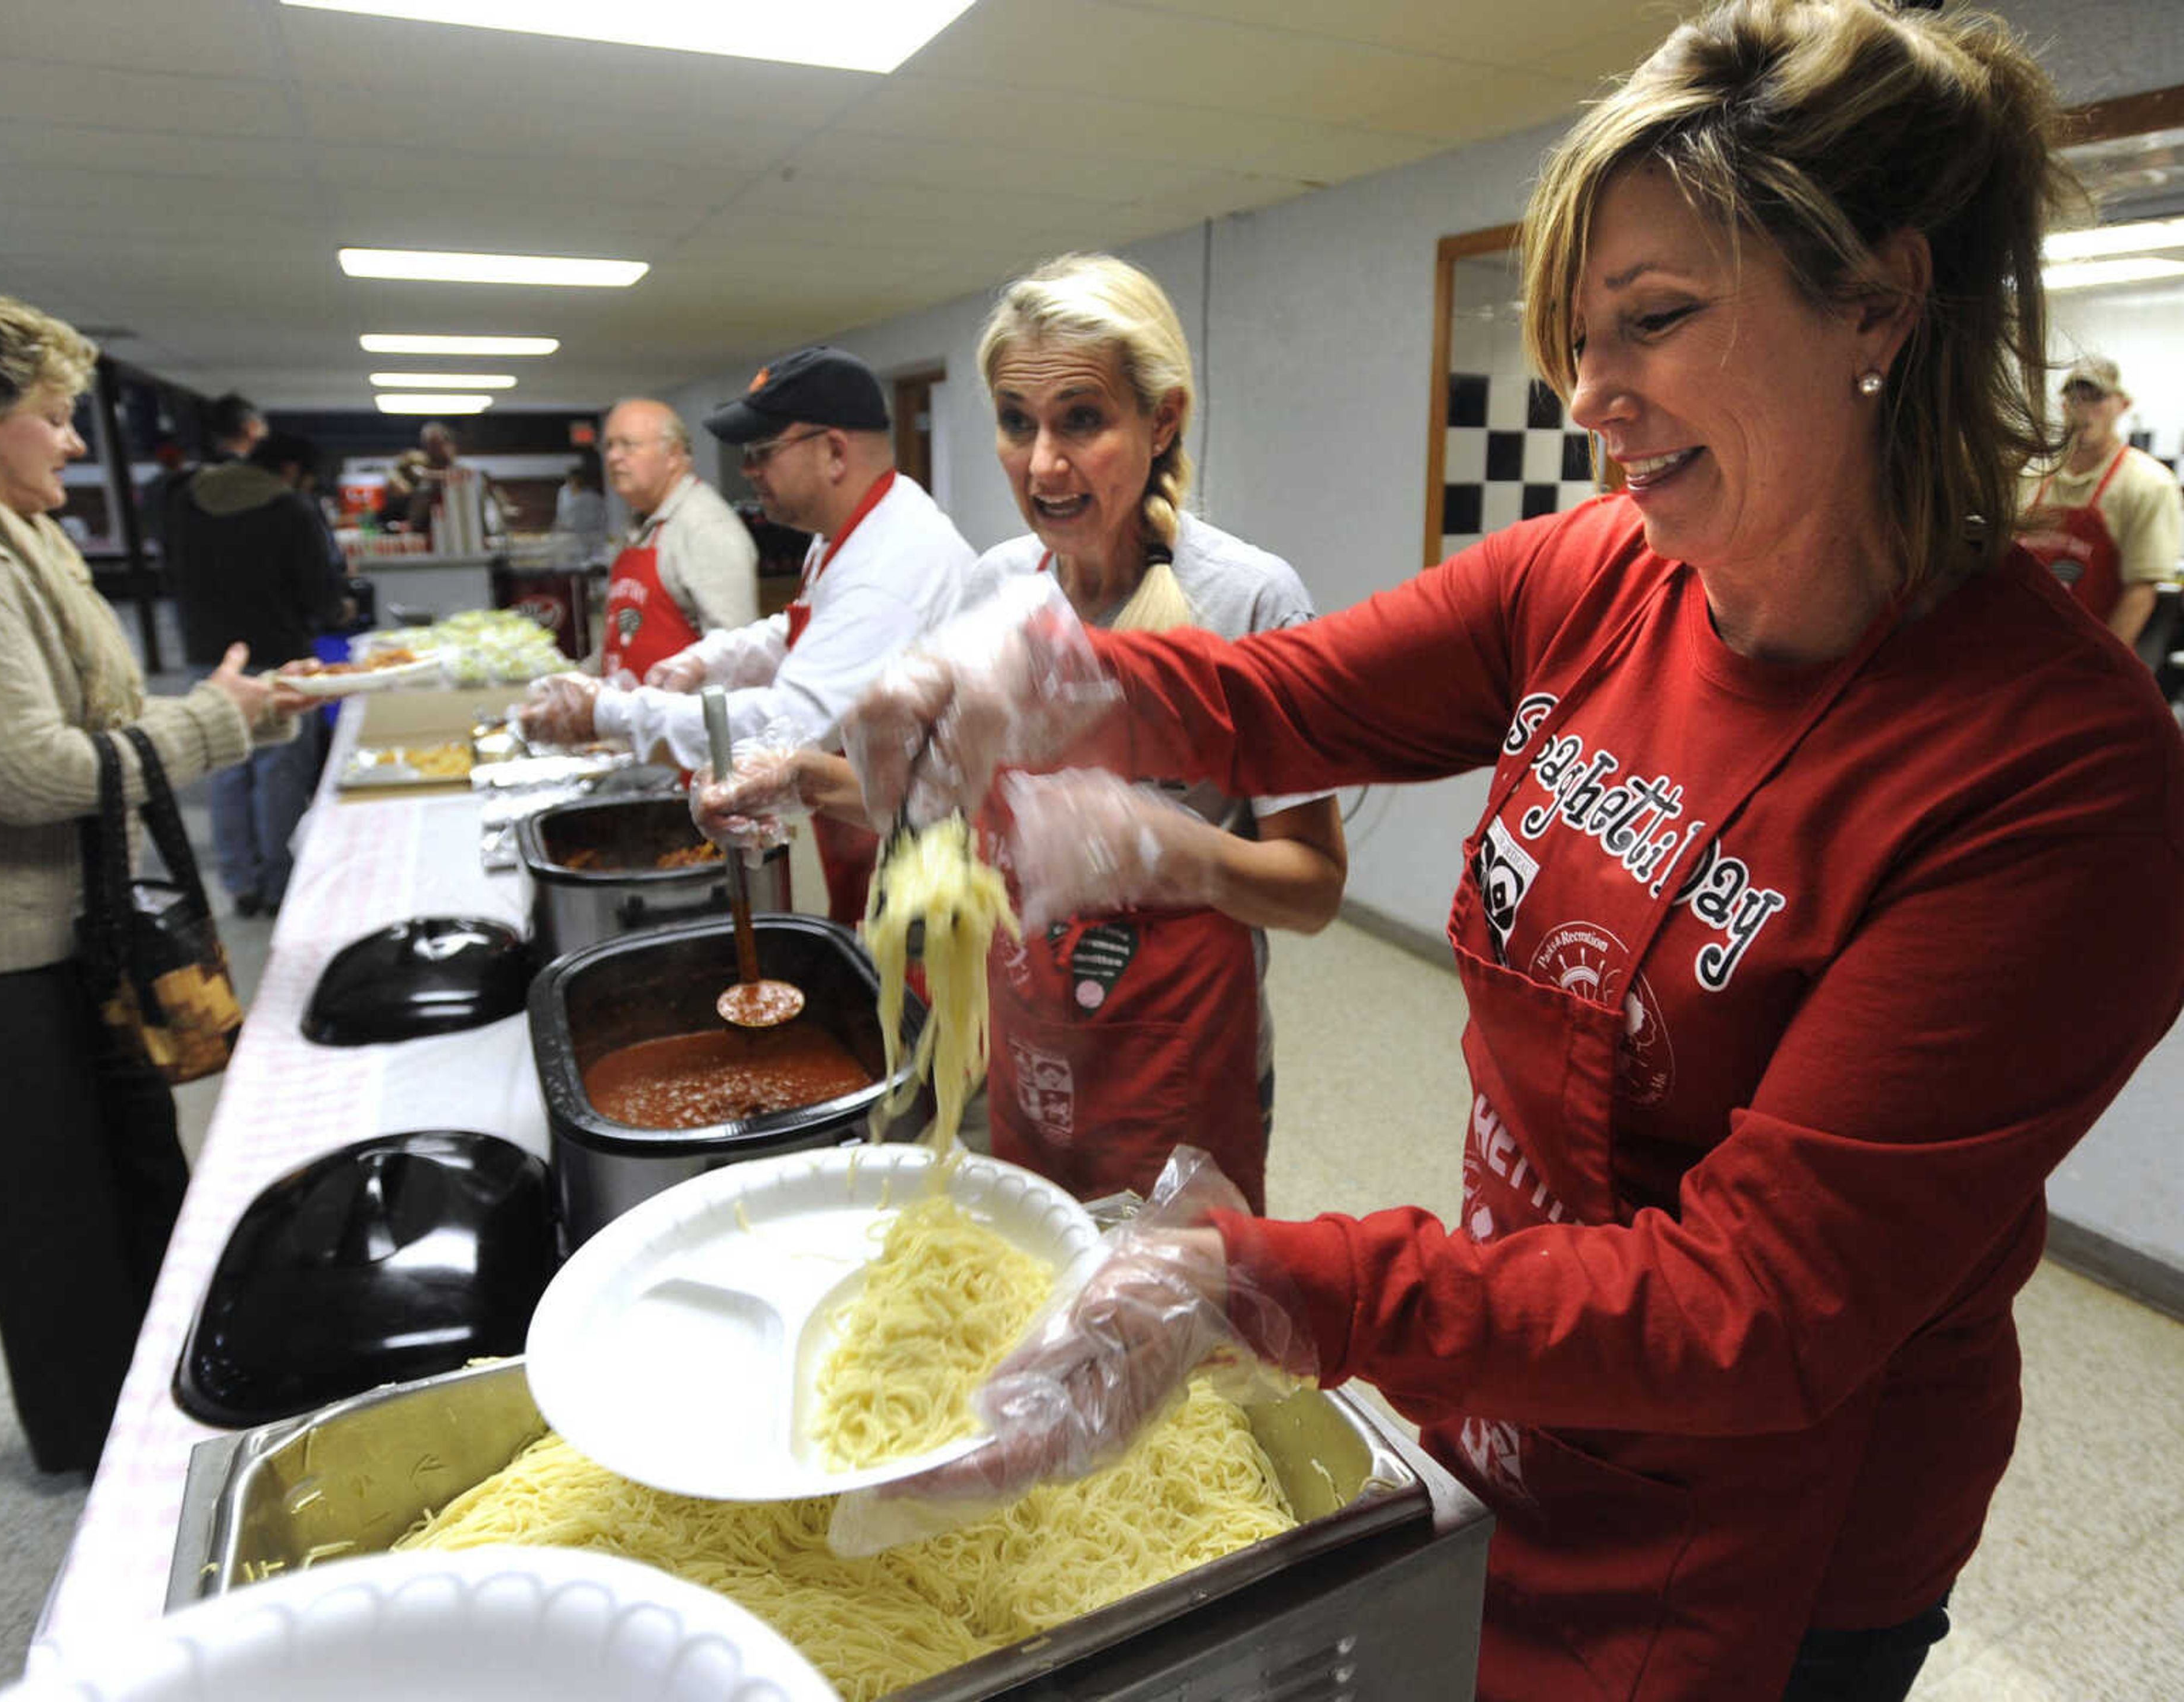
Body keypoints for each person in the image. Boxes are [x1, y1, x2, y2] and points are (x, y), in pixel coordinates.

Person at [838, 4, 2184, 1697]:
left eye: (1656, 321)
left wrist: (1258, 1284)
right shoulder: (1601, 572)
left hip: (1778, 1517)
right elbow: (1283, 696)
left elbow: (1760, 1305)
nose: (1589, 392)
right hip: (1512, 1368)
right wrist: (1039, 679)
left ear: (1880, 301)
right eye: (1575, 330)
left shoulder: (2053, 771)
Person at [694, 256, 1347, 1210]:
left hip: (1185, 1062)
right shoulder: (999, 585)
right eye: (1016, 422)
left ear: (1162, 419)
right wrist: (800, 780)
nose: (1042, 464)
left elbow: (1315, 887)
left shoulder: (1249, 599)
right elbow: (936, 814)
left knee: (1177, 1340)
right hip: (1030, 1045)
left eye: (1082, 420)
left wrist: (1169, 851)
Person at [0, 284, 315, 1476]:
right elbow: (19, 769)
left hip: (81, 927)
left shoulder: (19, 530)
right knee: (53, 1219)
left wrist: (236, 712)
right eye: (56, 415)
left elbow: (105, 711)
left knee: (139, 1174)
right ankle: (99, 1450)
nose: (80, 443)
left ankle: (158, 1407)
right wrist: (208, 728)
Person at [519, 345, 972, 925]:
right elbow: (798, 627)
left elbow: (788, 725)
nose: (749, 470)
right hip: (869, 821)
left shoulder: (894, 564)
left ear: (835, 451)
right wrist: (712, 657)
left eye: (763, 451)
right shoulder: (845, 532)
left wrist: (606, 713)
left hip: (926, 854)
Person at [167, 429, 350, 915]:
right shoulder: (290, 508)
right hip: (278, 652)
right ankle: (281, 885)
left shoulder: (188, 500)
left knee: (226, 767)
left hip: (211, 655)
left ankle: (240, 884)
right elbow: (319, 592)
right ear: (292, 470)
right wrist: (338, 611)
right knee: (280, 772)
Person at [2017, 356, 2182, 648]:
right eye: (2077, 399)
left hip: (2089, 656)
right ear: (2064, 406)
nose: (2085, 412)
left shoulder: (2148, 484)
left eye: (2097, 399)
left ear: (2123, 405)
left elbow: (2141, 591)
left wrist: (2102, 667)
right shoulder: (2031, 478)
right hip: (2023, 646)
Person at [597, 397, 758, 682]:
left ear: (672, 455)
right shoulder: (642, 522)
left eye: (628, 445)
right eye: (609, 446)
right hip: (633, 718)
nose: (613, 457)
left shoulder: (706, 527)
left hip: (680, 722)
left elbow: (735, 659)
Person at [553, 445, 608, 546]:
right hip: (568, 535)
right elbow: (561, 513)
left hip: (589, 536)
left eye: (577, 481)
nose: (574, 483)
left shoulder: (592, 496)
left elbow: (602, 516)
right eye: (572, 480)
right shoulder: (564, 492)